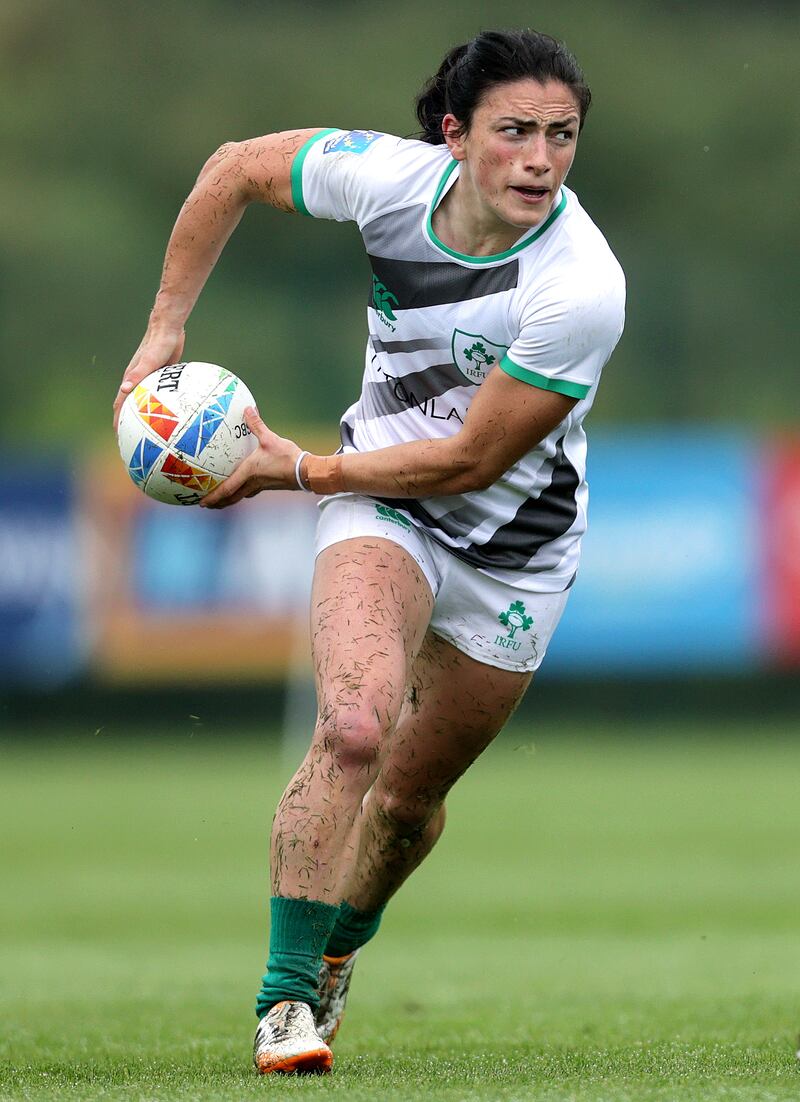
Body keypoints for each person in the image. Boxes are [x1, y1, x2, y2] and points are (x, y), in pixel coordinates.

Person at [114, 29, 625, 1075]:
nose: (539, 158)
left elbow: (471, 461)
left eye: (560, 136)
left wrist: (294, 472)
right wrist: (164, 331)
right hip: (380, 510)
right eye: (514, 132)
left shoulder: (579, 286)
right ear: (452, 134)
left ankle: (342, 945)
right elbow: (230, 170)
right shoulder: (387, 182)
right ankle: (283, 1003)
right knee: (352, 724)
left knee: (404, 804)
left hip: (514, 554)